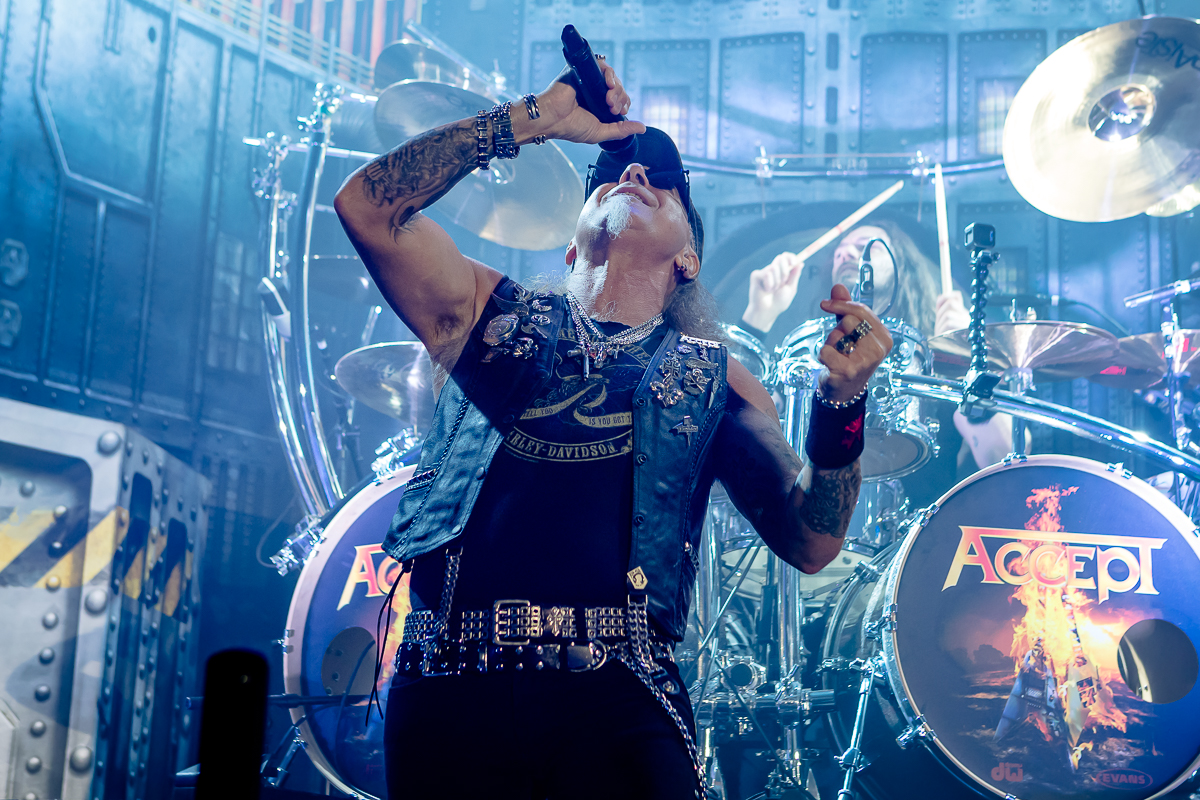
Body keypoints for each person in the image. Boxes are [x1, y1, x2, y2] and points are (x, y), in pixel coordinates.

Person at [333, 56, 891, 799]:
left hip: (617, 701)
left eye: (664, 182)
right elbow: (366, 206)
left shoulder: (714, 378)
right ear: (572, 244)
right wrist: (534, 119)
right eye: (611, 175)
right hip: (451, 691)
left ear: (688, 256)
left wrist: (841, 406)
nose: (634, 175)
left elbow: (812, 540)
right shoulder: (485, 317)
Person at [739, 222, 1013, 479]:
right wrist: (758, 317)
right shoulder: (816, 355)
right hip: (822, 508)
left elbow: (1002, 455)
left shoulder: (933, 359)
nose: (845, 253)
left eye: (864, 246)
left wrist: (968, 354)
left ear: (901, 265)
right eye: (839, 252)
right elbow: (743, 432)